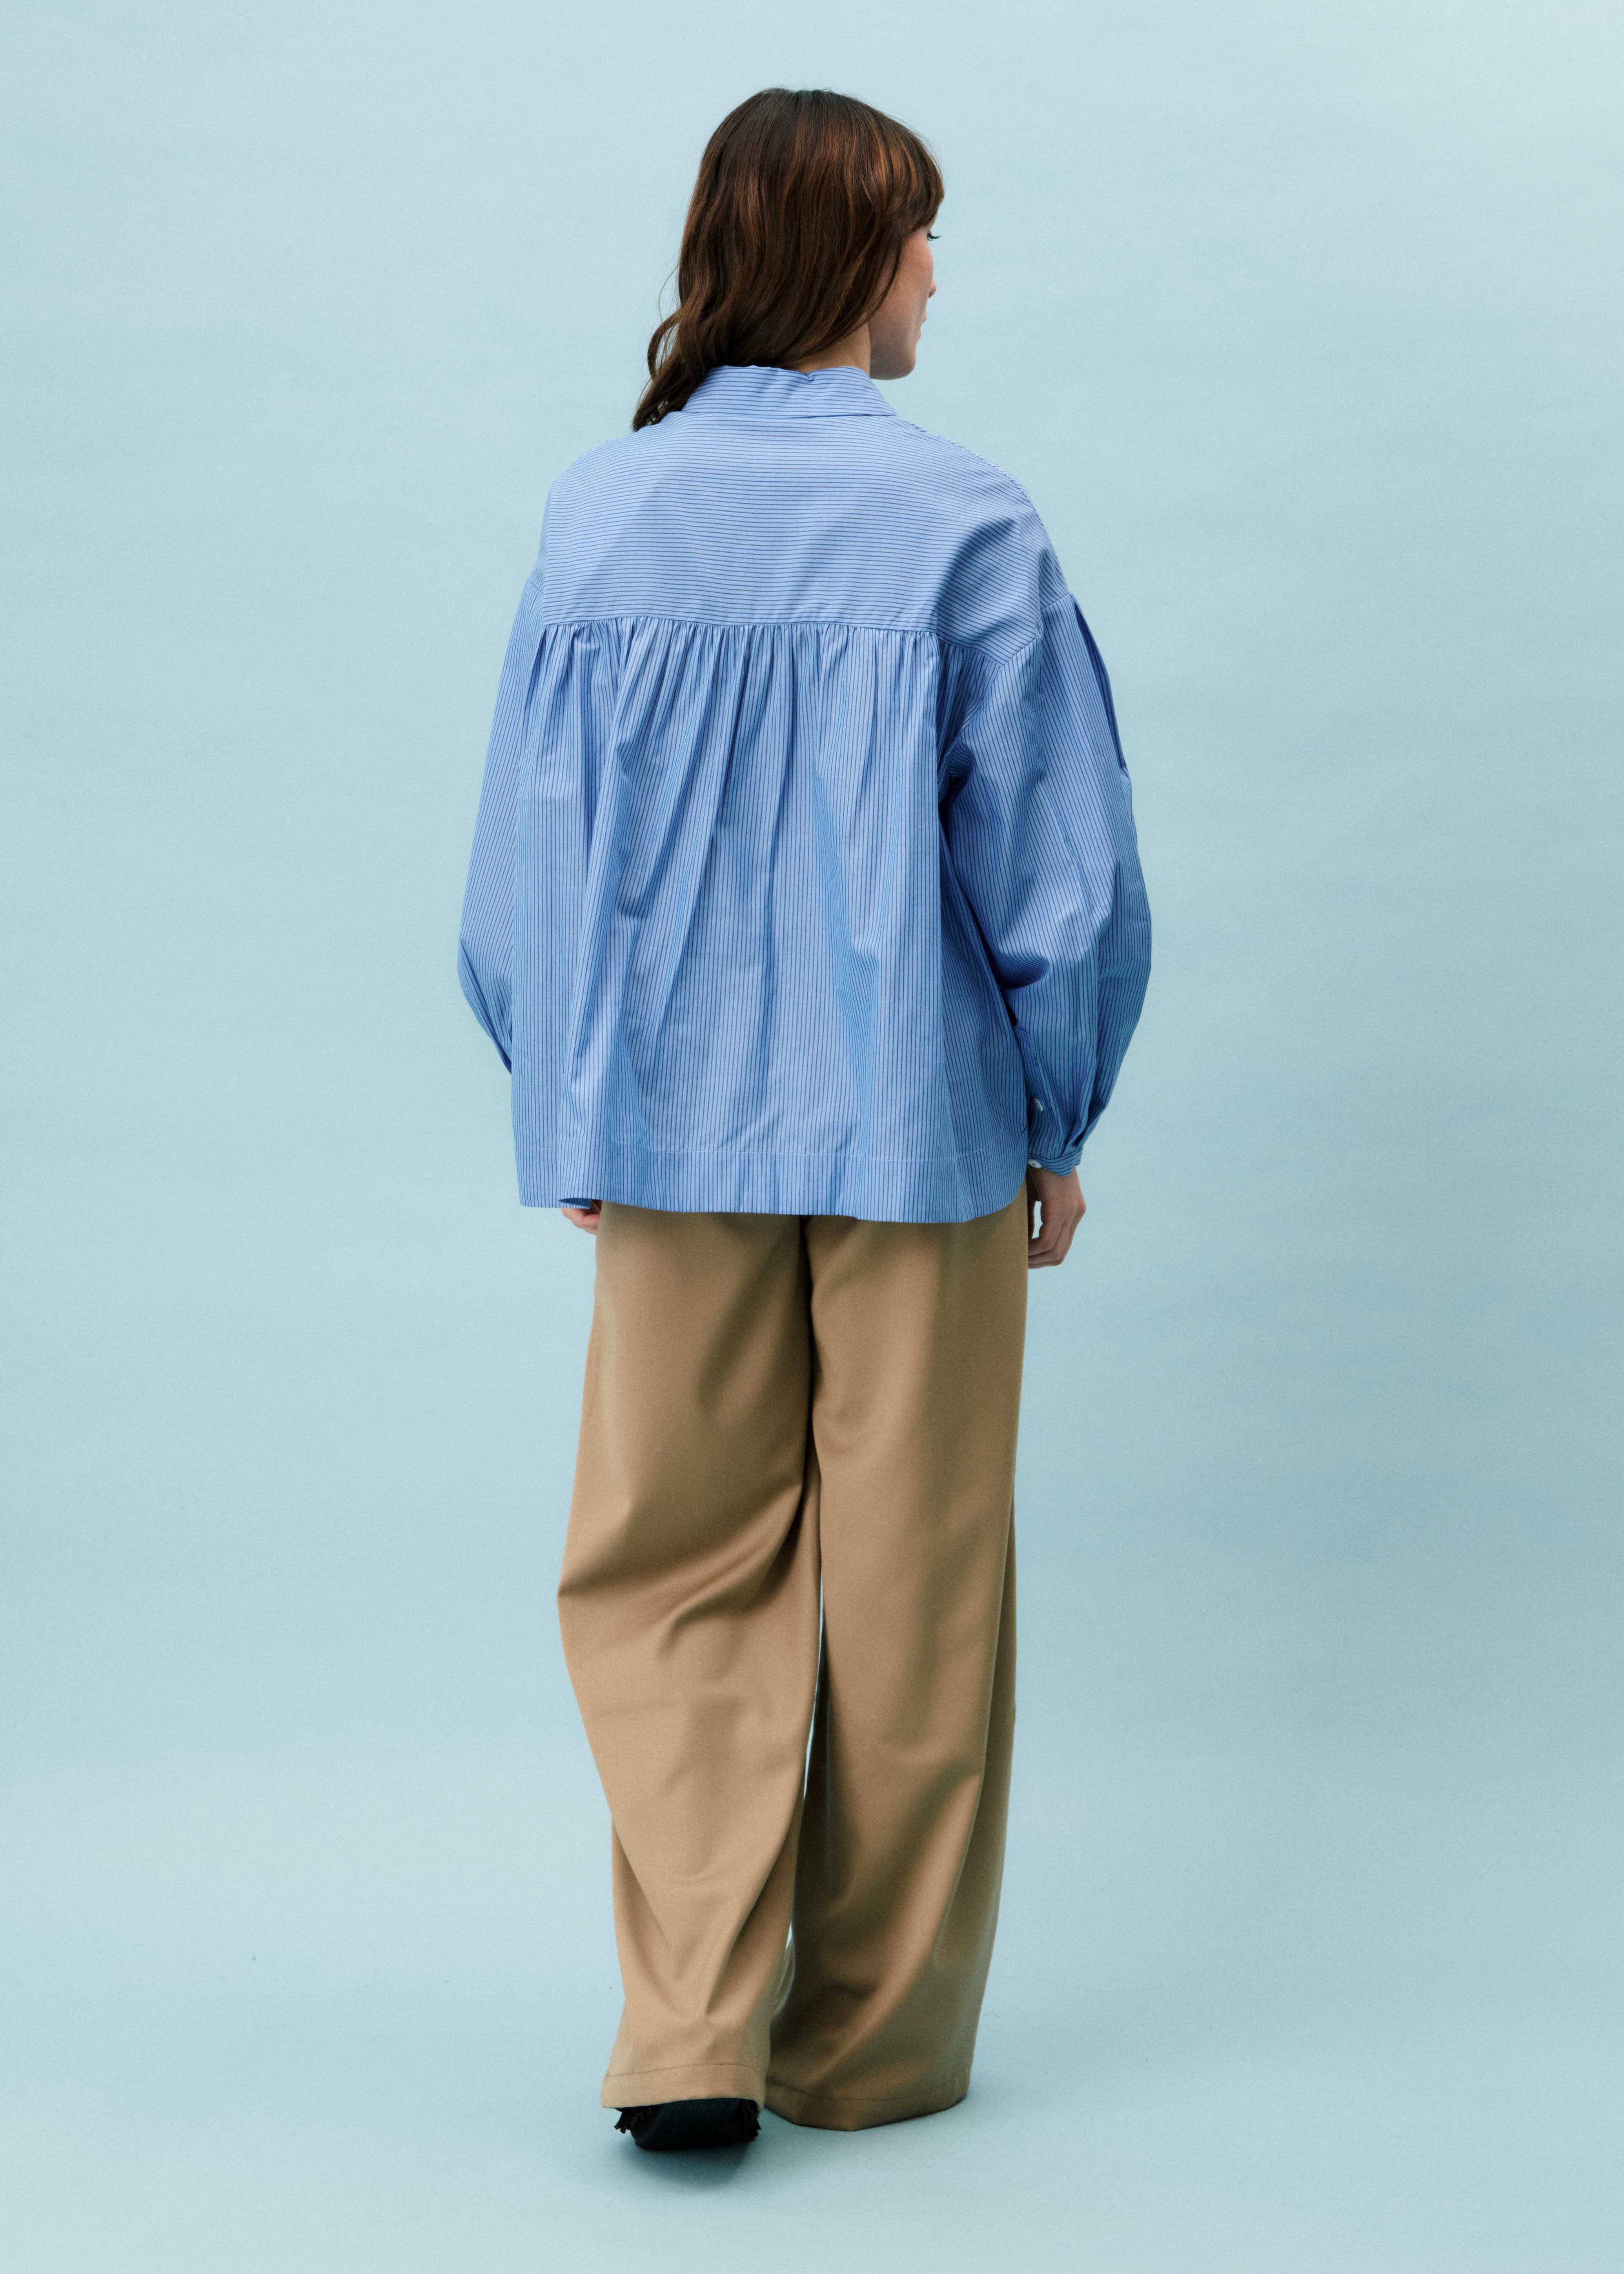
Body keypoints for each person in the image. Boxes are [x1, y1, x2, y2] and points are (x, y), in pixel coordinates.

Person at [457, 86, 1151, 2154]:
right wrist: (1055, 1108)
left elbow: (524, 861)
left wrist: (572, 1089)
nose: (939, 269)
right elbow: (1060, 876)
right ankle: (870, 2050)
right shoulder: (965, 521)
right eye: (921, 232)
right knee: (918, 1582)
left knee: (668, 1564)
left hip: (665, 1135)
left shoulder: (600, 516)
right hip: (921, 1135)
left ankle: (687, 2025)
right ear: (853, 257)